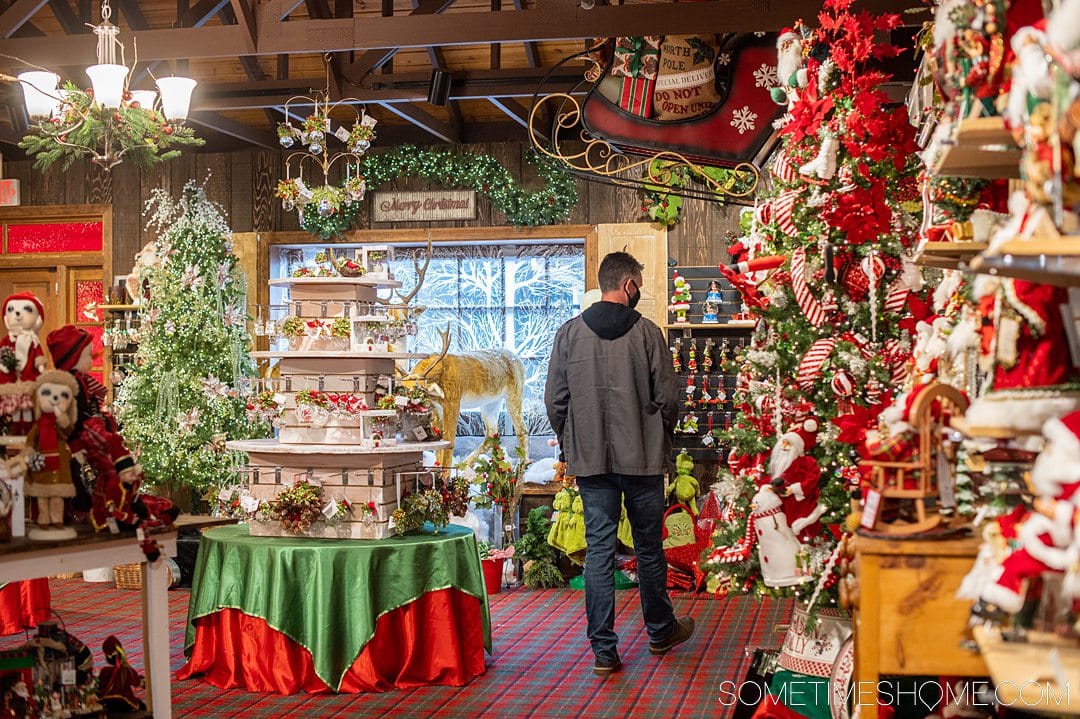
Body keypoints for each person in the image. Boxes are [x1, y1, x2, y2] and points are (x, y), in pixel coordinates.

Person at [545, 251, 694, 677]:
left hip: (590, 461)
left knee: (599, 552)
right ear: (629, 284)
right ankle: (661, 631)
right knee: (648, 548)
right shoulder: (648, 333)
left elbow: (555, 401)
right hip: (643, 459)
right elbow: (669, 397)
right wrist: (660, 435)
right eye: (639, 284)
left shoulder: (568, 334)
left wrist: (572, 440)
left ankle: (604, 652)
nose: (639, 291)